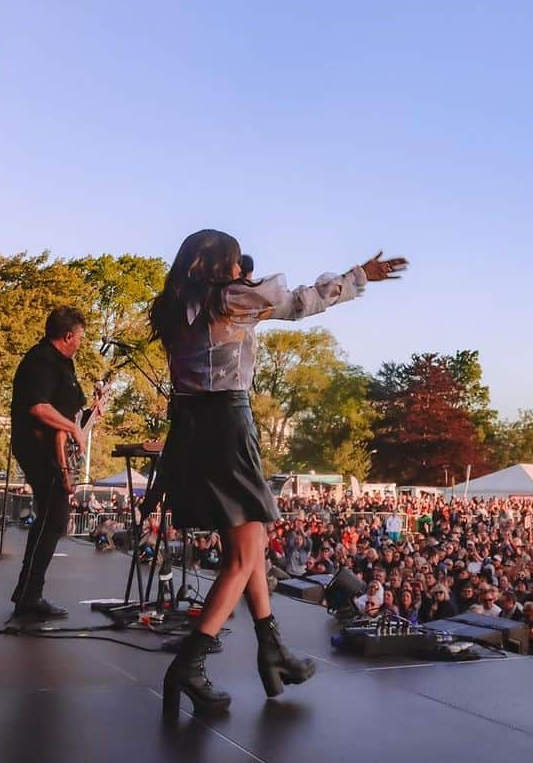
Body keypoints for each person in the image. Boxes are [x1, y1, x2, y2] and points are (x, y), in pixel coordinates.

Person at [149, 229, 406, 716]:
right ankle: (189, 663)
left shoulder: (175, 305)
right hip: (226, 424)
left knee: (251, 544)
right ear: (219, 264)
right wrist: (358, 277)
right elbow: (297, 304)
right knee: (242, 559)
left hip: (192, 426)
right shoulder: (229, 299)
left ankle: (272, 650)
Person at [9, 307, 89, 620]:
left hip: (53, 449)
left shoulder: (64, 365)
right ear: (68, 336)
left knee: (53, 517)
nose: (82, 342)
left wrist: (88, 414)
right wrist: (72, 428)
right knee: (53, 517)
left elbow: (70, 407)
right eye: (80, 336)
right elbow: (39, 407)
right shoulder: (41, 361)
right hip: (38, 448)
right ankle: (29, 595)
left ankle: (29, 593)